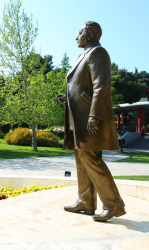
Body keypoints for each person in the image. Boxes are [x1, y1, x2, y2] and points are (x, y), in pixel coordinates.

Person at [57, 21, 125, 222]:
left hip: (89, 118)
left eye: (79, 33)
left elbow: (101, 86)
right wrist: (68, 97)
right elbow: (82, 86)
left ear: (91, 34)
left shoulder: (98, 53)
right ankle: (86, 201)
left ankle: (114, 204)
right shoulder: (85, 54)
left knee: (91, 159)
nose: (76, 37)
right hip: (78, 118)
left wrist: (94, 115)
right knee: (81, 158)